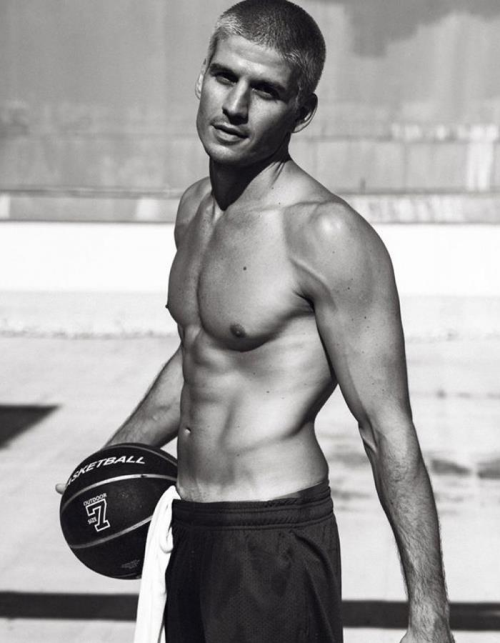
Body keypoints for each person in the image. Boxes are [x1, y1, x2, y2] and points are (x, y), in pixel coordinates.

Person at [63, 1, 455, 641]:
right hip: (186, 528)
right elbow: (199, 354)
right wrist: (113, 455)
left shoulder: (325, 235)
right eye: (225, 77)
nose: (235, 106)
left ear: (303, 110)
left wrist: (429, 615)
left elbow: (386, 427)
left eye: (266, 91)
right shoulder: (195, 209)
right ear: (201, 77)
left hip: (273, 540)